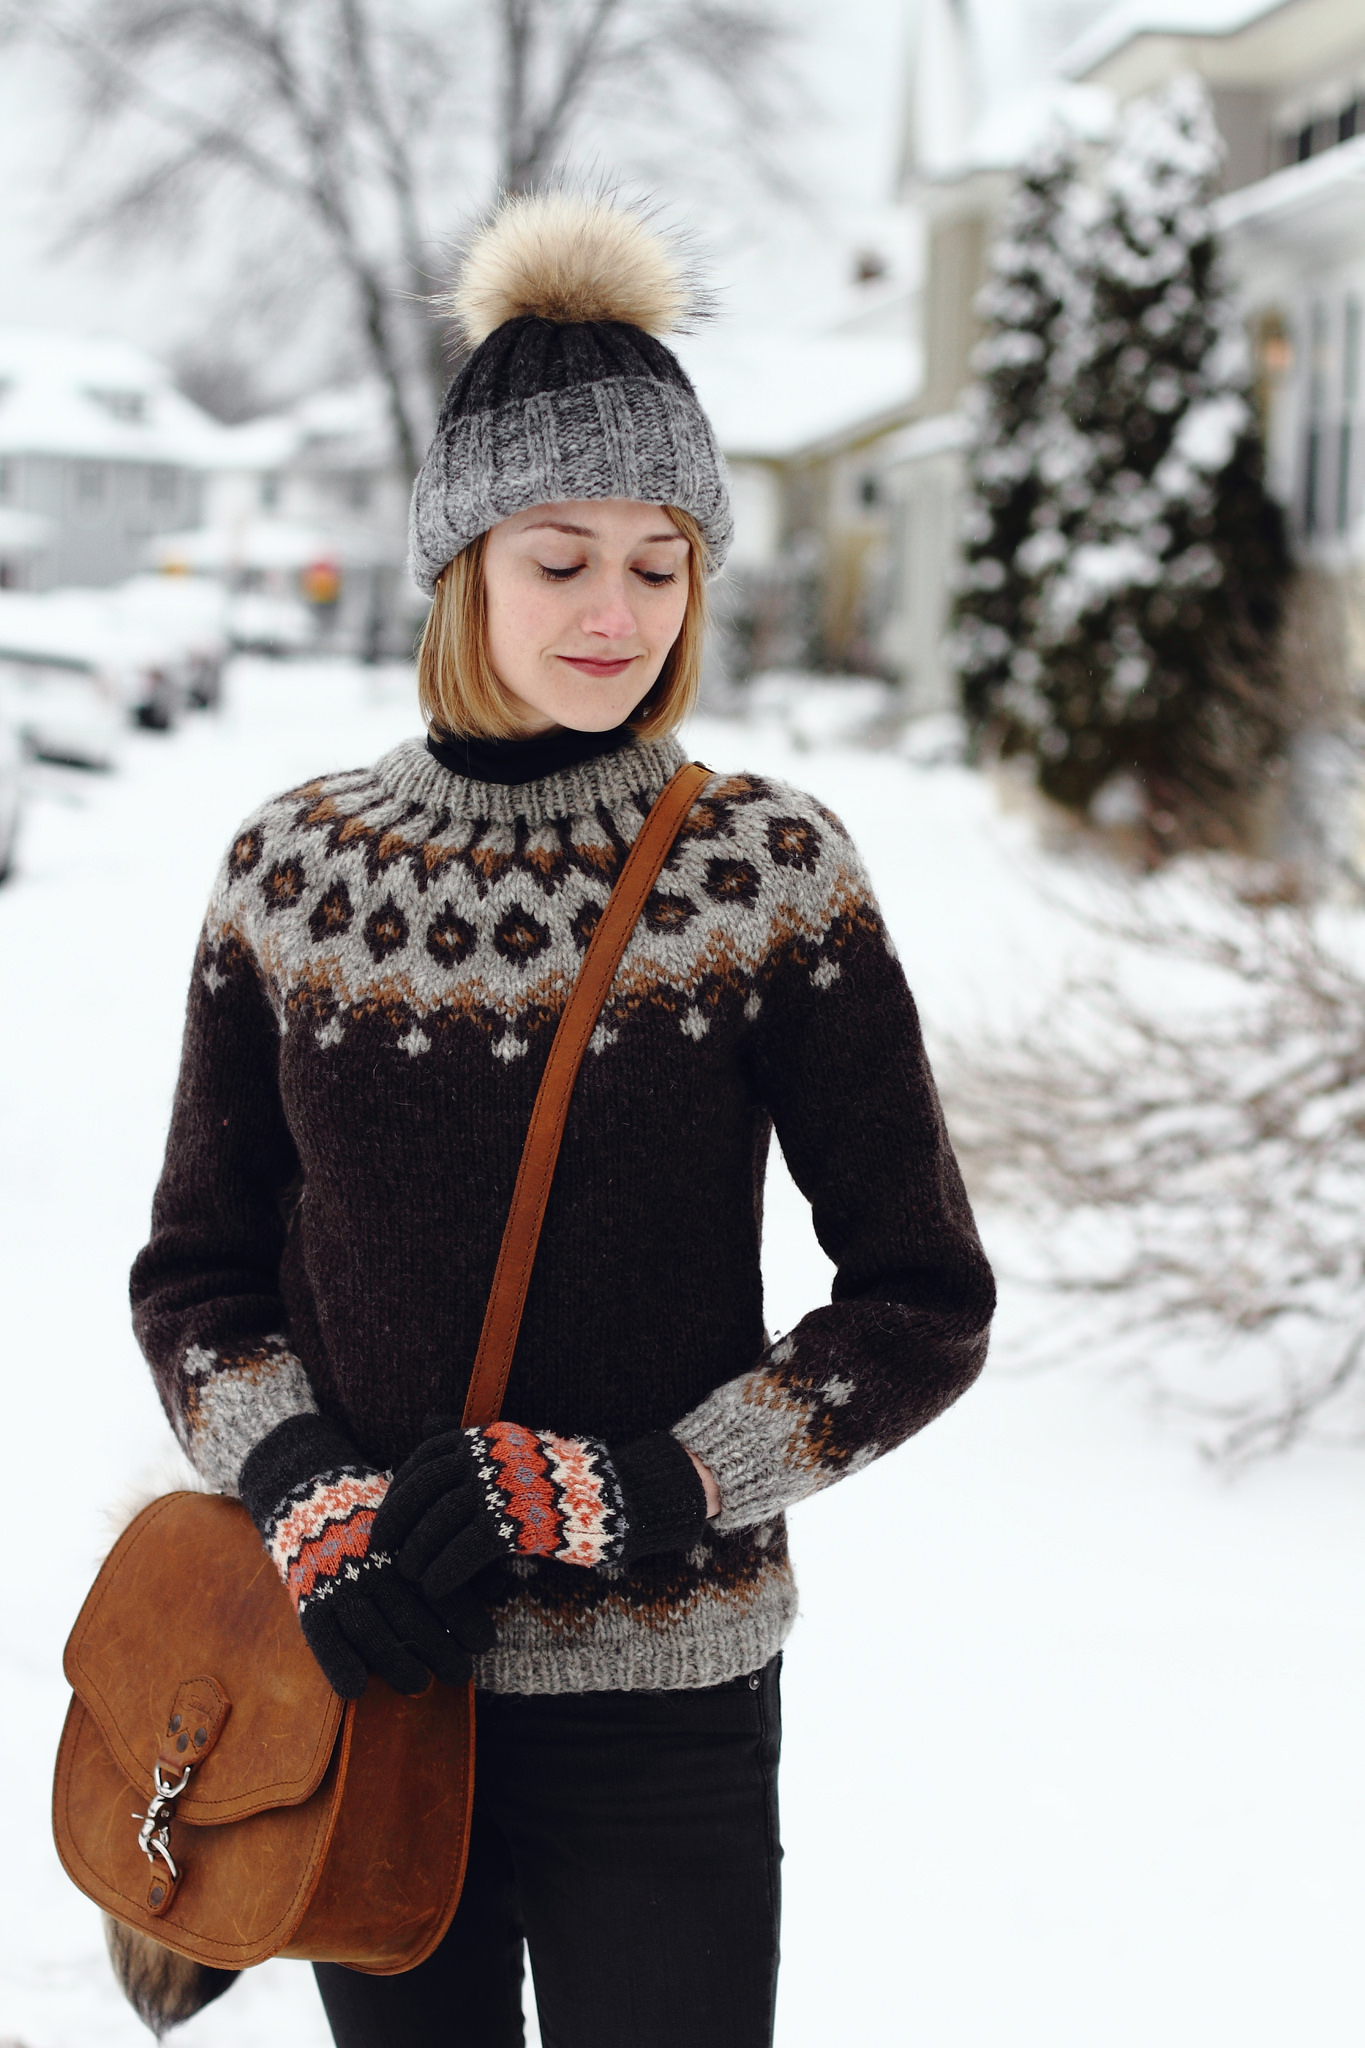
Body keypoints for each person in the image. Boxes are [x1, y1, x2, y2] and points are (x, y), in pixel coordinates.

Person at [130, 191, 995, 2048]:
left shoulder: (765, 878)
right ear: (463, 567)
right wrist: (307, 1505)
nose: (616, 611)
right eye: (558, 558)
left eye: (659, 561)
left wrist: (647, 1486)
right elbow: (198, 1277)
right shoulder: (291, 874)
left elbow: (919, 1302)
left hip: (666, 1707)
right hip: (367, 1691)